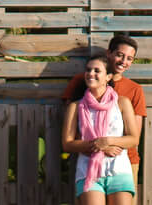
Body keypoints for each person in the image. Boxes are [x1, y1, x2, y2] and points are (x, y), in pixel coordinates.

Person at [61, 34, 146, 173]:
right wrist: (101, 147)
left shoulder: (134, 89)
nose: (123, 61)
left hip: (125, 160)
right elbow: (72, 129)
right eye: (120, 55)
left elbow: (134, 134)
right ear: (109, 53)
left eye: (129, 58)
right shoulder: (82, 81)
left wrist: (108, 144)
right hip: (88, 158)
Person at [62, 53, 139, 205]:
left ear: (108, 77)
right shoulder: (75, 107)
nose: (91, 74)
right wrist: (102, 148)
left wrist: (107, 141)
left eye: (97, 71)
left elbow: (133, 139)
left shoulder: (122, 103)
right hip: (88, 172)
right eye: (88, 70)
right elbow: (67, 144)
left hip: (118, 169)